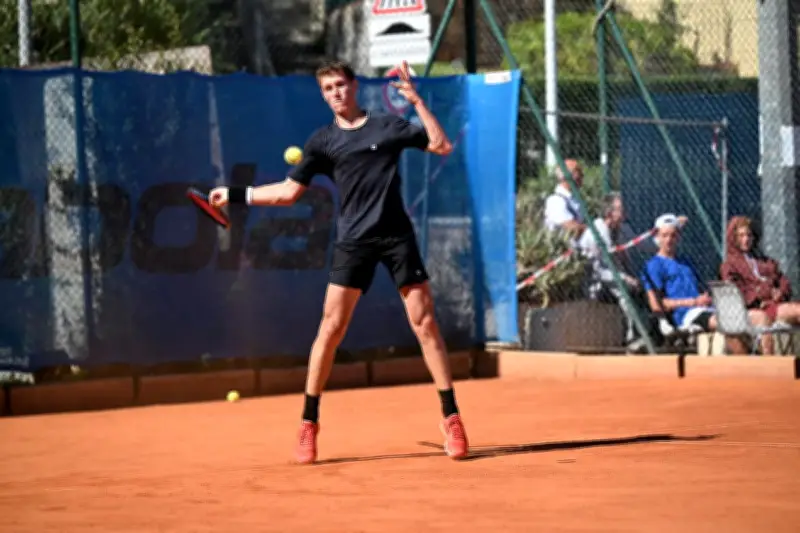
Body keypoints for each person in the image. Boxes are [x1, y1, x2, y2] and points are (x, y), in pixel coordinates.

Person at [208, 60, 469, 464]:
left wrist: (416, 101)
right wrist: (236, 194)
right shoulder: (322, 142)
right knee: (330, 328)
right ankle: (308, 423)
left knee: (425, 322)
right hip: (354, 242)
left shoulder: (387, 126)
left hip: (397, 238)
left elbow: (441, 145)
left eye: (341, 85)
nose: (336, 93)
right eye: (328, 88)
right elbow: (287, 193)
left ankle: (451, 417)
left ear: (353, 86)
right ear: (323, 94)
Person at [641, 214, 769, 354]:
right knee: (730, 325)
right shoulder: (654, 265)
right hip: (687, 315)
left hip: (707, 308)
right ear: (657, 237)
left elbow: (699, 288)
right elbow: (659, 304)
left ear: (678, 237)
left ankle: (771, 364)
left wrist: (706, 298)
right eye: (664, 236)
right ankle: (748, 367)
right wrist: (694, 302)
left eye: (673, 235)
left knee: (761, 317)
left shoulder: (685, 262)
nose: (669, 240)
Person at [578, 192, 648, 352]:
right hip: (596, 279)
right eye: (620, 209)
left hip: (615, 274)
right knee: (624, 291)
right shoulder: (598, 230)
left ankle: (651, 331)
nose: (624, 212)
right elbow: (602, 267)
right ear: (610, 213)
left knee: (642, 288)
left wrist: (661, 233)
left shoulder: (622, 229)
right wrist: (627, 279)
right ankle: (633, 338)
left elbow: (644, 244)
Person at [720, 216, 799, 354]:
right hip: (755, 309)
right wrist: (763, 293)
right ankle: (769, 365)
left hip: (774, 305)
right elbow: (736, 292)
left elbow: (783, 281)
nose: (746, 239)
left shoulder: (763, 261)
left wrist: (781, 292)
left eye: (749, 235)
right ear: (734, 238)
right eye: (741, 236)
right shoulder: (730, 265)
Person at [543, 159, 587, 246]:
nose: (582, 177)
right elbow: (571, 227)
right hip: (562, 250)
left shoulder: (574, 199)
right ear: (568, 177)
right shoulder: (556, 201)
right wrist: (592, 230)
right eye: (579, 173)